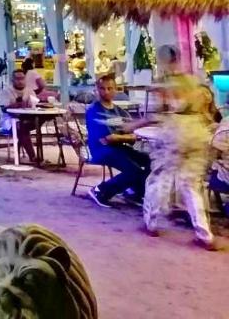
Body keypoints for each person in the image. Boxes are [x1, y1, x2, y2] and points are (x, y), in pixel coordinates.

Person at [141, 46, 217, 250]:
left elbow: (157, 114)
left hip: (176, 131)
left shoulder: (165, 83)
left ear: (163, 59)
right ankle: (204, 233)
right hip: (198, 131)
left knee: (160, 177)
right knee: (192, 185)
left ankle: (151, 221)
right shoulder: (194, 81)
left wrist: (133, 125)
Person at [85, 74, 150, 208]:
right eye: (102, 88)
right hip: (101, 149)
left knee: (151, 161)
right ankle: (100, 191)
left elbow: (131, 131)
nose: (106, 92)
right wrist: (130, 137)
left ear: (116, 90)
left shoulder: (119, 111)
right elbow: (109, 138)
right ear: (97, 90)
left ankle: (134, 192)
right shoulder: (94, 110)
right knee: (134, 170)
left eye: (110, 88)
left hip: (119, 148)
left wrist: (130, 135)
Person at [0, 69, 39, 163]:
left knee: (29, 125)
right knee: (21, 128)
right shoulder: (6, 91)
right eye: (17, 79)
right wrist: (18, 104)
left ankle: (25, 153)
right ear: (12, 80)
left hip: (26, 119)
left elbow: (34, 104)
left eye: (22, 78)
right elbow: (4, 109)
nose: (20, 81)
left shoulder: (29, 90)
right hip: (9, 120)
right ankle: (33, 157)